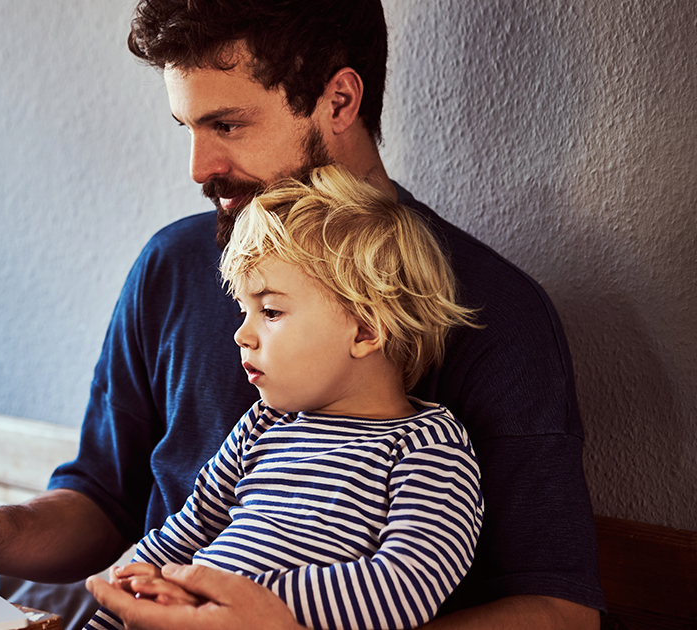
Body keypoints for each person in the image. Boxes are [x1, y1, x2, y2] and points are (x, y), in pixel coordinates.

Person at [0, 1, 605, 628]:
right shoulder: (173, 265)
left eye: (228, 125)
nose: (198, 168)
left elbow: (559, 612)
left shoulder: (487, 311)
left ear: (340, 102)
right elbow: (103, 504)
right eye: (187, 127)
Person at [84, 166, 486, 630]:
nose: (241, 334)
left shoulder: (428, 449)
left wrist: (239, 600)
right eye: (244, 310)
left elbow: (404, 587)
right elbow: (188, 530)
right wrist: (123, 592)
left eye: (271, 311)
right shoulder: (261, 425)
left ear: (365, 330)